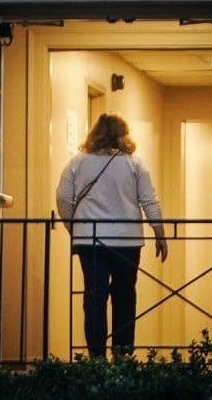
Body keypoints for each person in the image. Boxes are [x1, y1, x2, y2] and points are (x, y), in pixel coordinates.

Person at [55, 112, 168, 359]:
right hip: (127, 240)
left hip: (90, 240)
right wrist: (159, 233)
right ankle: (122, 353)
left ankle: (96, 355)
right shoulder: (134, 163)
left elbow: (63, 197)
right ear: (122, 135)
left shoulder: (77, 162)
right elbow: (149, 199)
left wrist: (75, 228)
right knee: (124, 296)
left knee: (94, 296)